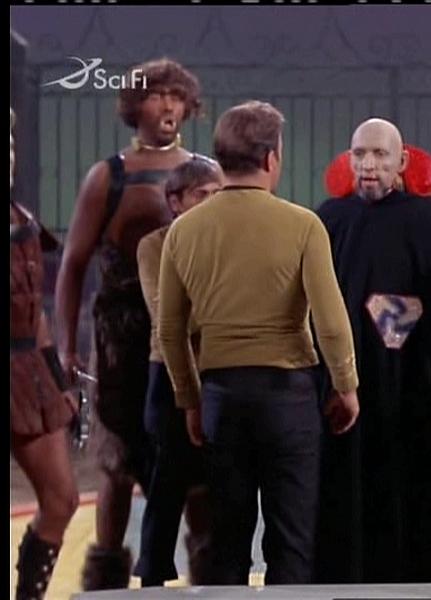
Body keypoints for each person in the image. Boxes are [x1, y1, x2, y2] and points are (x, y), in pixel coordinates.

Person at [158, 100, 359, 585]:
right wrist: (346, 385)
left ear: (221, 158)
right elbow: (331, 323)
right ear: (271, 158)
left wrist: (190, 400)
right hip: (288, 396)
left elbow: (170, 331)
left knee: (227, 543)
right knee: (291, 541)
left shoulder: (183, 232)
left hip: (221, 398)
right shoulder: (303, 226)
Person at [314, 118, 431, 584]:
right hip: (351, 382)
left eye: (379, 154)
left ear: (402, 161)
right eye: (360, 154)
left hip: (418, 380)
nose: (368, 164)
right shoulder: (329, 219)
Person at [54, 58, 203, 590]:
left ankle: (209, 578)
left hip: (190, 337)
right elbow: (72, 265)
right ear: (134, 105)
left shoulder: (204, 175)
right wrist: (66, 347)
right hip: (122, 340)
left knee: (195, 465)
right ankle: (107, 583)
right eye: (157, 94)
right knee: (117, 465)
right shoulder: (109, 177)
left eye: (176, 95)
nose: (168, 105)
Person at [133, 157, 223, 586]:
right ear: (175, 201)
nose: (212, 203)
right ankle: (151, 580)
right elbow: (167, 316)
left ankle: (221, 580)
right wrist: (223, 309)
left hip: (222, 372)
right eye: (201, 195)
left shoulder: (231, 241)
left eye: (218, 194)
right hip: (168, 375)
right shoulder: (154, 246)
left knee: (223, 489)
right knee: (166, 486)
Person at [11, 107, 79, 600]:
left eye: (10, 144)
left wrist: (59, 381)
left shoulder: (23, 220)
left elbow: (34, 313)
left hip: (26, 370)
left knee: (61, 499)